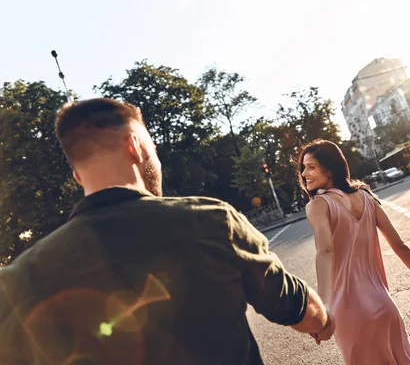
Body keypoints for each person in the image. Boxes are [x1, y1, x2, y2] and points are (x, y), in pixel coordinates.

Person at [0, 98, 335, 365]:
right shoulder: (211, 221)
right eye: (153, 149)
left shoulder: (18, 281)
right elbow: (294, 304)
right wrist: (323, 323)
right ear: (135, 146)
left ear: (76, 177)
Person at [298, 139, 410, 365]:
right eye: (303, 167)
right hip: (384, 305)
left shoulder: (318, 205)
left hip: (349, 313)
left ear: (330, 169)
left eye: (311, 167)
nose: (304, 173)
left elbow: (325, 252)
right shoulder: (366, 196)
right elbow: (400, 246)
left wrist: (324, 309)